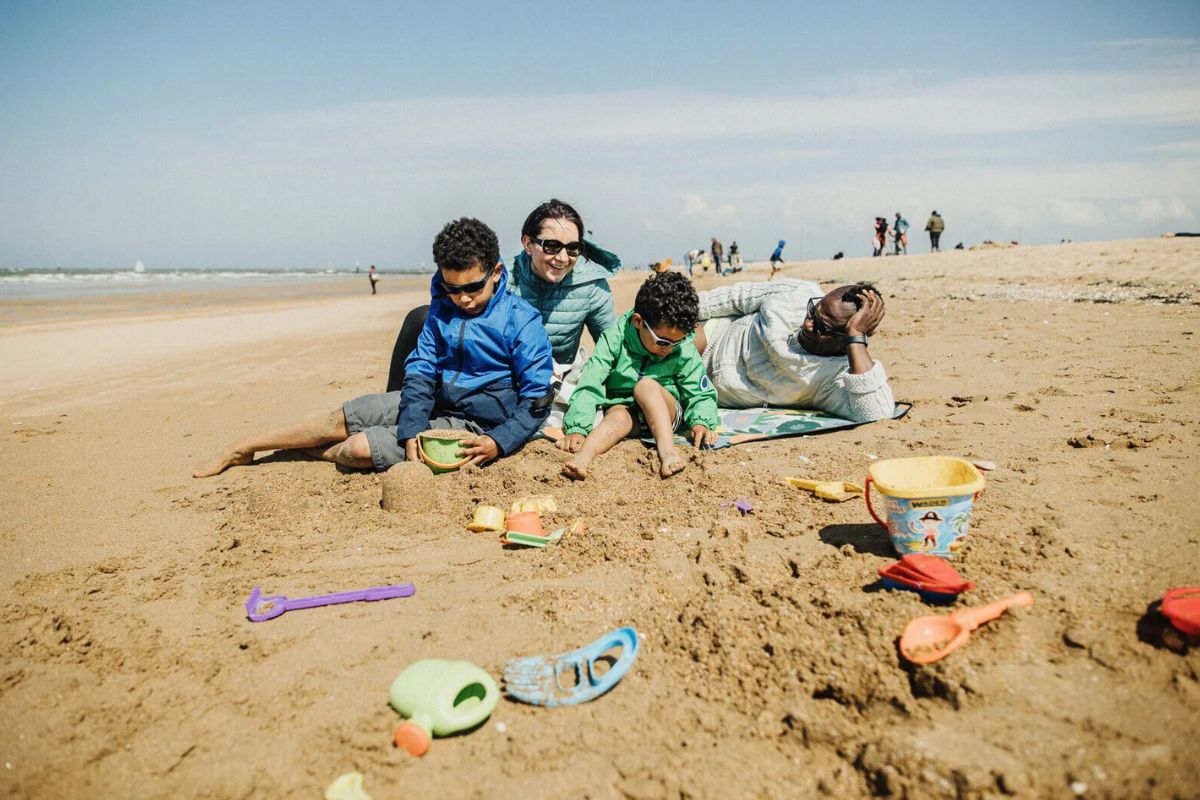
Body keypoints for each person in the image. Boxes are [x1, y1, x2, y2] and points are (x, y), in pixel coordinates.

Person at [193, 218, 553, 478]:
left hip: (479, 424)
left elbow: (538, 399)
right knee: (341, 418)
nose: (462, 299)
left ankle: (294, 451)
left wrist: (497, 442)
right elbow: (421, 367)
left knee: (357, 449)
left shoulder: (522, 320)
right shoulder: (443, 303)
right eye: (451, 288)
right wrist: (411, 426)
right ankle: (245, 446)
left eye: (472, 288)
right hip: (431, 399)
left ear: (495, 272)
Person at [386, 200, 620, 419]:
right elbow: (458, 326)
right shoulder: (501, 279)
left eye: (572, 248)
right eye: (551, 246)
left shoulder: (592, 287)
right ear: (528, 243)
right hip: (497, 371)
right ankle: (394, 402)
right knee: (420, 317)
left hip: (549, 378)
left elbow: (612, 349)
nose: (562, 257)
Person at [558, 272, 718, 480]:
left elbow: (699, 389)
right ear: (638, 321)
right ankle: (584, 456)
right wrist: (577, 428)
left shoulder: (682, 348)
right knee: (616, 416)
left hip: (667, 412)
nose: (669, 349)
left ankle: (668, 452)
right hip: (630, 414)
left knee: (646, 386)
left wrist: (701, 422)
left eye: (676, 343)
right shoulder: (614, 339)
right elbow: (591, 383)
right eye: (663, 342)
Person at [692, 279, 894, 423]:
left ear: (845, 342)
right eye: (813, 310)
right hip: (707, 335)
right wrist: (676, 310)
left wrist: (857, 336)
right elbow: (733, 298)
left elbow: (877, 412)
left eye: (821, 326)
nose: (807, 323)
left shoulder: (832, 377)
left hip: (699, 388)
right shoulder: (796, 292)